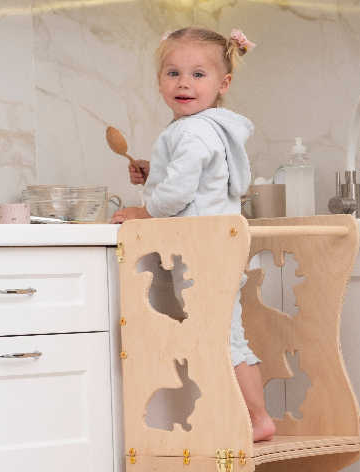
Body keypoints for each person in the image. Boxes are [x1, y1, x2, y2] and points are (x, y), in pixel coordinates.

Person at [112, 26, 276, 442]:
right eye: (173, 73)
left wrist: (143, 211)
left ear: (223, 83)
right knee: (219, 337)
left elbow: (178, 195)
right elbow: (198, 182)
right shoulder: (209, 128)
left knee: (225, 340)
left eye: (198, 74)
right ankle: (236, 415)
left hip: (200, 255)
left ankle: (257, 417)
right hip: (216, 253)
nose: (184, 83)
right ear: (159, 81)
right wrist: (155, 171)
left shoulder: (191, 131)